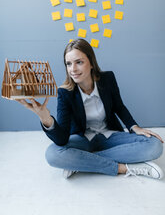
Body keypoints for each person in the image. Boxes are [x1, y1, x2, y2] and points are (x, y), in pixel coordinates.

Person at [18, 38, 164, 179]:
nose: (73, 69)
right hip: (82, 139)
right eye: (68, 64)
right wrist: (46, 118)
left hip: (110, 135)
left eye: (79, 62)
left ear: (91, 63)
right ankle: (122, 168)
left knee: (154, 145)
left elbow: (119, 107)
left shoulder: (108, 79)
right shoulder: (65, 92)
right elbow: (62, 140)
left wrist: (135, 127)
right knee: (53, 154)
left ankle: (81, 162)